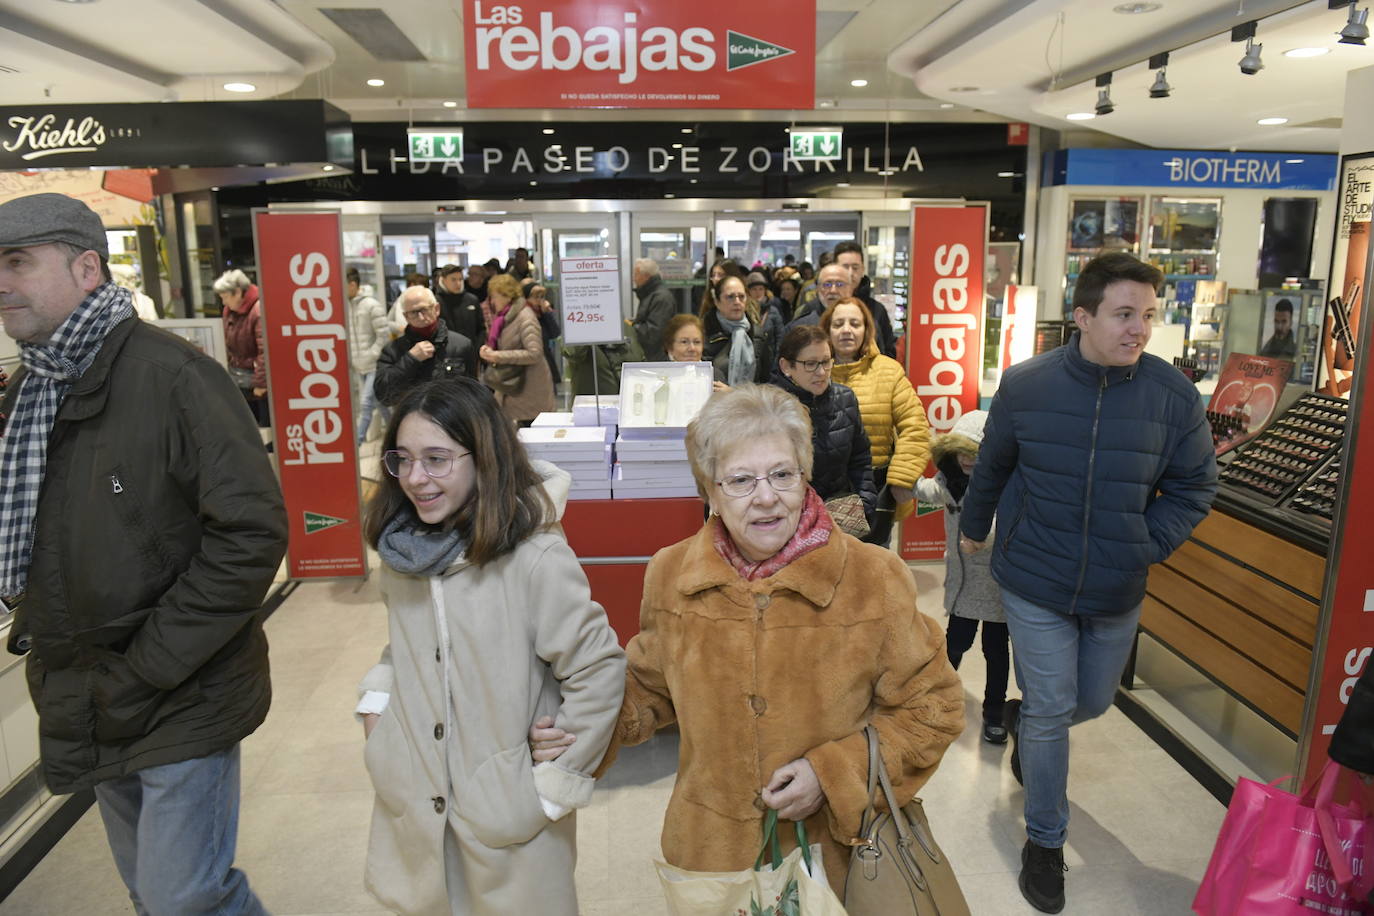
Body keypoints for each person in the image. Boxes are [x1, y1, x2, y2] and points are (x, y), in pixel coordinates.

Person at [530, 384, 964, 892]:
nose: (765, 497)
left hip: (831, 860)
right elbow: (648, 690)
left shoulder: (873, 579)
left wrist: (831, 775)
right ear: (709, 491)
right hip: (712, 850)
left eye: (782, 474)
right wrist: (573, 725)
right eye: (740, 480)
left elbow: (932, 710)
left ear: (806, 477)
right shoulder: (672, 573)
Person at [0, 192, 287, 915]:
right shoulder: (32, 394)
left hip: (177, 686)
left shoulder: (173, 376)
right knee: (152, 896)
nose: (1, 283)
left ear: (88, 268)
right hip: (87, 688)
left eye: (17, 262)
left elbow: (250, 533)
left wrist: (148, 666)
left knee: (182, 895)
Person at [959, 251, 1217, 914]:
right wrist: (976, 523)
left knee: (1091, 702)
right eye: (1124, 313)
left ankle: (1025, 723)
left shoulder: (1173, 396)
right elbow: (994, 462)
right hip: (1034, 576)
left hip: (1116, 585)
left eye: (1149, 316)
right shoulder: (1027, 384)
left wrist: (1145, 542)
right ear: (1083, 316)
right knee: (1052, 706)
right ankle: (1045, 843)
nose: (1140, 329)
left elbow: (1194, 486)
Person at [358, 377, 625, 915]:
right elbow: (403, 647)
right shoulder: (404, 551)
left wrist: (550, 787)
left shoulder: (535, 557)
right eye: (402, 459)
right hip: (418, 802)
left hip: (508, 821)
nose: (416, 478)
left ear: (483, 458)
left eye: (437, 459)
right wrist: (378, 710)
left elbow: (597, 669)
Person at [913, 410, 1012, 745]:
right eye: (962, 451)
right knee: (954, 644)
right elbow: (928, 491)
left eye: (977, 452)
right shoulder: (949, 482)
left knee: (996, 651)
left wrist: (982, 537)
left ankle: (994, 713)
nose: (969, 459)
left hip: (997, 585)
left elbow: (1008, 525)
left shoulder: (1003, 486)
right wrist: (903, 479)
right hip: (963, 586)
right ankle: (940, 703)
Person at [825, 296, 931, 548]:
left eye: (855, 323)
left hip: (875, 490)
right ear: (827, 330)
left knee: (873, 571)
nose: (847, 330)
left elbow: (915, 426)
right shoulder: (814, 371)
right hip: (824, 491)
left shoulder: (888, 371)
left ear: (867, 329)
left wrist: (902, 478)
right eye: (838, 324)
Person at [769, 325, 875, 535]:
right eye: (810, 364)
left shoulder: (845, 399)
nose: (821, 372)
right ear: (786, 366)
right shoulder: (769, 407)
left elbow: (860, 458)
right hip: (787, 525)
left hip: (840, 521)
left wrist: (866, 503)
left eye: (826, 362)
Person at [375, 286, 477, 405]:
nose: (421, 317)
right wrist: (410, 359)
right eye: (414, 312)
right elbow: (383, 395)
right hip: (411, 418)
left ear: (436, 309)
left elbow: (472, 392)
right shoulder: (392, 350)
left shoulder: (462, 345)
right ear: (406, 317)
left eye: (424, 310)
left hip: (451, 418)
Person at [478, 273, 554, 425]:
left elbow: (534, 353)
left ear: (506, 295)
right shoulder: (506, 317)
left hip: (529, 389)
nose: (492, 301)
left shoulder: (525, 317)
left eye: (494, 296)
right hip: (516, 387)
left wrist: (497, 356)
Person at [213, 267, 269, 426]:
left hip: (255, 381)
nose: (224, 302)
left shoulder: (258, 310)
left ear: (238, 292)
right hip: (238, 378)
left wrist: (261, 383)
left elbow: (264, 350)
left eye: (225, 297)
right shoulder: (229, 310)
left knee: (263, 426)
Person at [348, 267, 391, 445]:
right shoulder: (345, 306)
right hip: (358, 364)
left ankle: (356, 443)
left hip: (374, 364)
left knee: (366, 403)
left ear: (352, 284)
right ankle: (394, 431)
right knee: (379, 403)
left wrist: (373, 354)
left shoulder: (371, 305)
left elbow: (384, 334)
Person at [833, 241, 897, 359]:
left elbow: (889, 352)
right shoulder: (817, 308)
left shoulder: (877, 310)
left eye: (855, 267)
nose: (850, 273)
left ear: (862, 270)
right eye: (845, 267)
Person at [703, 274, 770, 387]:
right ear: (717, 301)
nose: (737, 302)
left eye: (741, 296)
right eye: (730, 297)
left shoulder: (757, 334)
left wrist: (736, 394)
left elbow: (766, 380)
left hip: (749, 402)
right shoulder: (703, 332)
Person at [630, 258, 677, 362]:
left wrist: (632, 327)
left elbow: (653, 334)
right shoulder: (650, 295)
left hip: (657, 359)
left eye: (636, 274)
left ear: (646, 276)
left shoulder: (661, 298)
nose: (634, 279)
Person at [787, 261, 851, 331]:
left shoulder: (862, 320)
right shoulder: (799, 327)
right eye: (827, 285)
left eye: (839, 284)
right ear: (817, 289)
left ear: (850, 289)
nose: (833, 290)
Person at [525, 281, 562, 396]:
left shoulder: (542, 314)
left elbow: (555, 333)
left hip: (546, 360)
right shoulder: (525, 315)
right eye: (536, 297)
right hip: (531, 367)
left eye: (541, 297)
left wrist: (547, 314)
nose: (540, 301)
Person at [435, 264, 486, 346]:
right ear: (443, 280)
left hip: (472, 351)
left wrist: (477, 349)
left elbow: (481, 329)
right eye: (453, 280)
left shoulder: (472, 300)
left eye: (460, 279)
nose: (458, 283)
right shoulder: (435, 302)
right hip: (447, 353)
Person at [746, 270, 787, 360]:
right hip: (749, 357)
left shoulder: (773, 311)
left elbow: (780, 336)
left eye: (761, 289)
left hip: (770, 358)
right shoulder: (744, 310)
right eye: (754, 289)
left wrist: (777, 359)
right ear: (748, 291)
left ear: (765, 290)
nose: (758, 292)